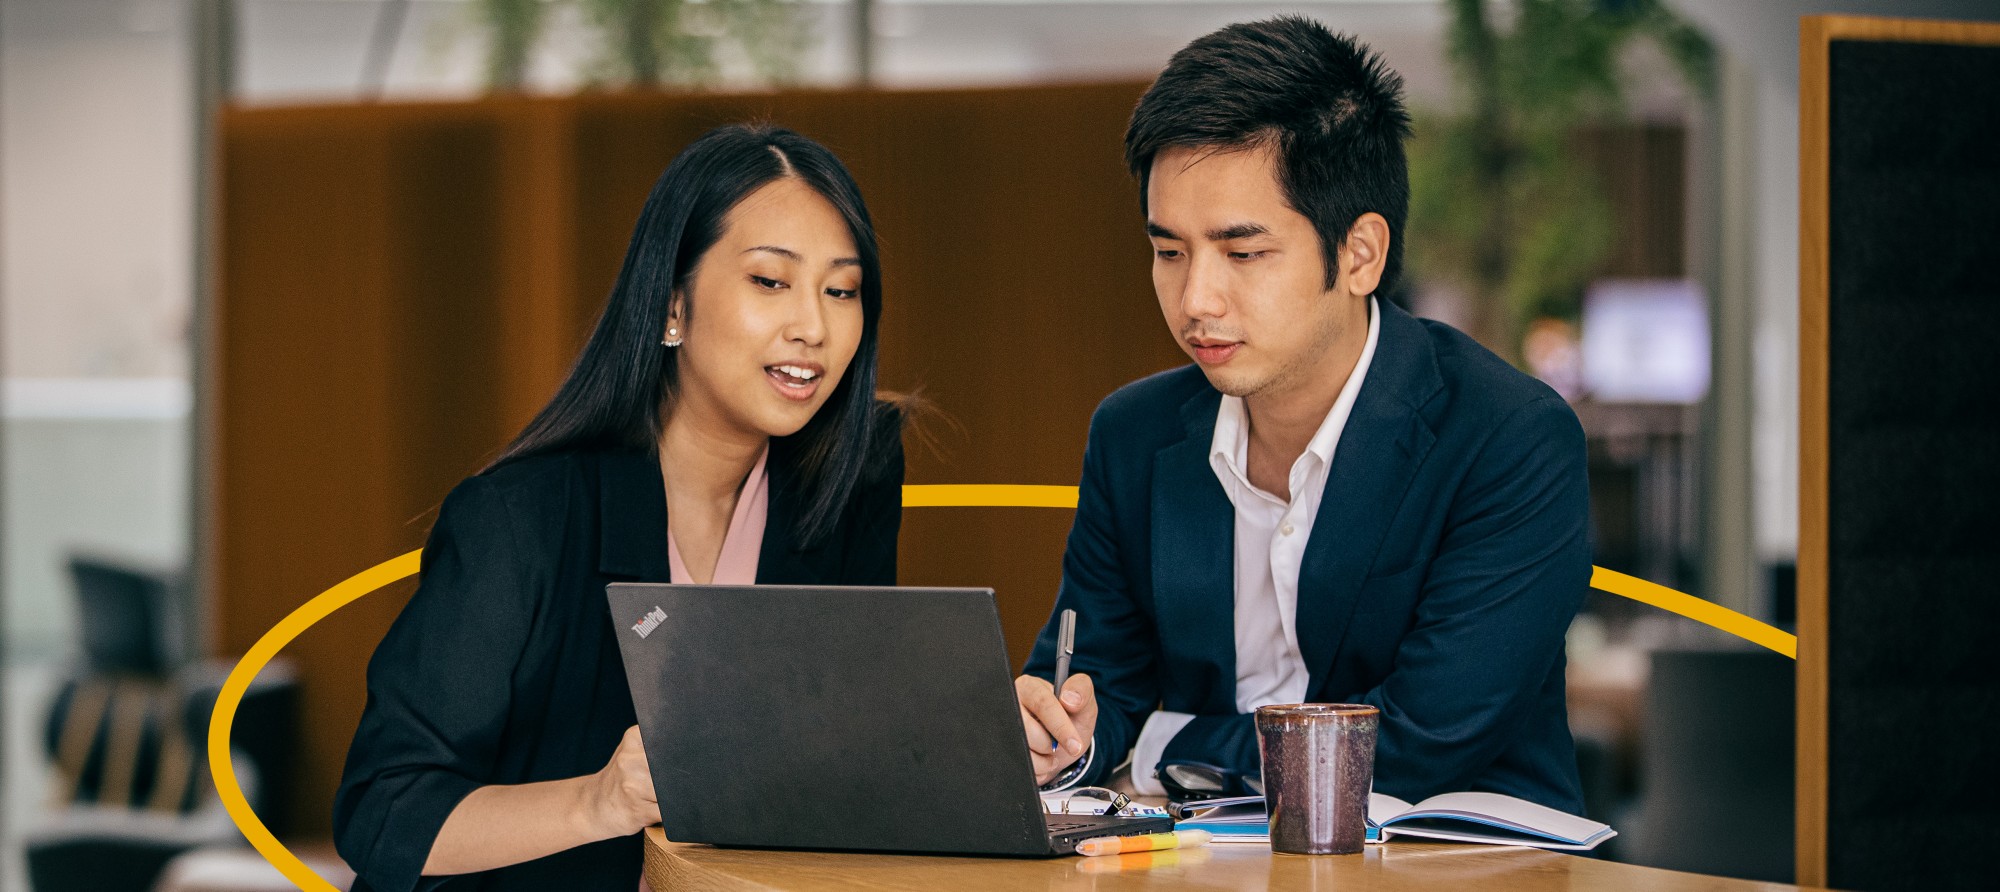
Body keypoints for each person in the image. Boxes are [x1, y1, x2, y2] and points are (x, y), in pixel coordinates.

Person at [1014, 16, 1591, 814]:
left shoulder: (1506, 437)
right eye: (1169, 250)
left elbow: (1420, 740)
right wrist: (1064, 733)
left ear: (1360, 254)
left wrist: (1167, 742)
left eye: (1242, 254)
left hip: (1456, 866)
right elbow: (1096, 684)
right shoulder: (1134, 435)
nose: (1195, 300)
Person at [334, 124, 904, 892]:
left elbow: (845, 753)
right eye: (771, 282)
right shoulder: (520, 521)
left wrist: (975, 743)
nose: (814, 326)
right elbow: (382, 810)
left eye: (842, 290)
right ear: (673, 305)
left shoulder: (847, 483)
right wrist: (600, 802)